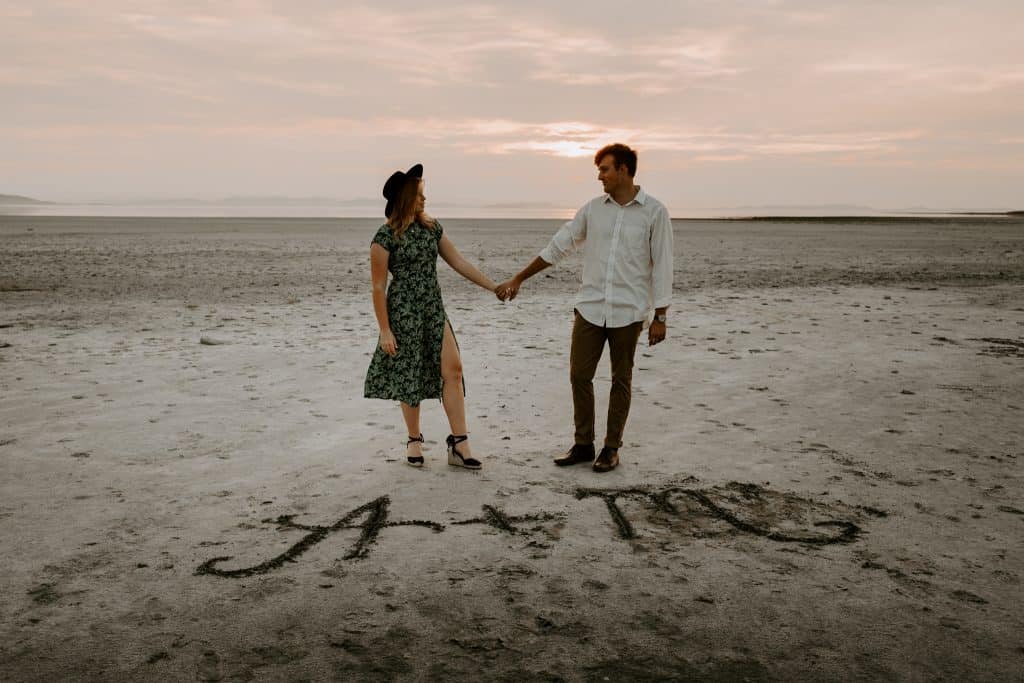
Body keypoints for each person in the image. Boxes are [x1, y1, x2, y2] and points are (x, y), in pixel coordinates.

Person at [495, 143, 673, 473]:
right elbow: (559, 245)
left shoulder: (655, 212)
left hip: (629, 312)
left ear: (623, 169)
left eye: (604, 169)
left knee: (621, 380)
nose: (599, 176)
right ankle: (583, 443)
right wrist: (520, 277)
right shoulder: (593, 209)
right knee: (579, 375)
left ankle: (611, 447)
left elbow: (662, 264)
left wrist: (660, 316)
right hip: (590, 308)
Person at [364, 163, 499, 469]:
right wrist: (385, 330)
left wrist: (492, 286)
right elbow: (377, 287)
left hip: (433, 310)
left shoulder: (431, 228)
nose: (425, 199)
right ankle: (413, 440)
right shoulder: (383, 238)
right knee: (409, 377)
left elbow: (459, 262)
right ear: (405, 198)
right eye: (420, 194)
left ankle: (459, 444)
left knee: (453, 368)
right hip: (403, 314)